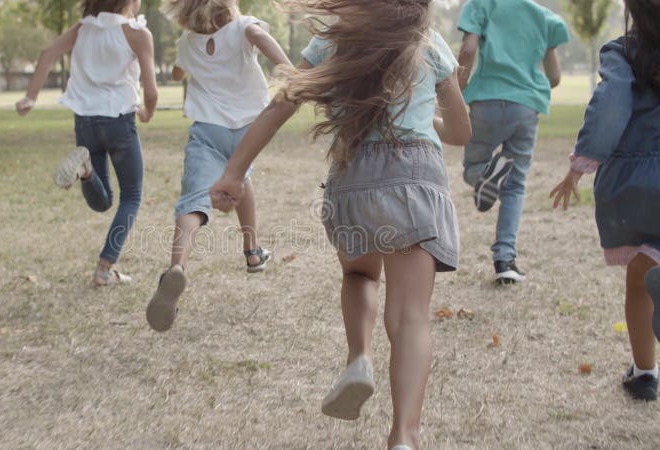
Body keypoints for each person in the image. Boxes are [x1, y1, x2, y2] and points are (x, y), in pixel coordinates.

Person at [209, 1, 471, 447]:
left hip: (354, 178)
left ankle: (359, 358)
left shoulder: (335, 34)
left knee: (359, 274)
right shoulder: (429, 42)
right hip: (415, 176)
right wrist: (427, 114)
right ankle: (404, 436)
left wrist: (234, 172)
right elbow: (463, 132)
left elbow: (281, 105)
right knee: (410, 317)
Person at [144, 0, 290, 332]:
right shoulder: (243, 28)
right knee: (240, 177)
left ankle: (177, 268)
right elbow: (259, 36)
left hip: (207, 129)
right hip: (247, 130)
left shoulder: (187, 42)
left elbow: (177, 72)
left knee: (192, 201)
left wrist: (185, 65)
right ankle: (252, 252)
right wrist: (288, 68)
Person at [550, 0, 660, 401]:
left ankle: (645, 373)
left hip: (635, 183)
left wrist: (581, 165)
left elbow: (610, 106)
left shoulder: (624, 52)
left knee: (641, 276)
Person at [16, 0, 158, 286]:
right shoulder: (137, 33)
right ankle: (104, 269)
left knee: (103, 201)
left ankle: (86, 171)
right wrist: (147, 112)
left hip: (85, 122)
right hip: (119, 122)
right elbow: (152, 91)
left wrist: (31, 97)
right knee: (131, 197)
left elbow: (47, 54)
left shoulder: (83, 28)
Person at [456, 0, 570, 284]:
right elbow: (554, 77)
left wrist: (458, 88)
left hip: (486, 103)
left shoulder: (481, 5)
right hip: (526, 107)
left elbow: (468, 49)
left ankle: (484, 176)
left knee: (473, 165)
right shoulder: (544, 17)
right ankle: (505, 260)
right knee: (515, 184)